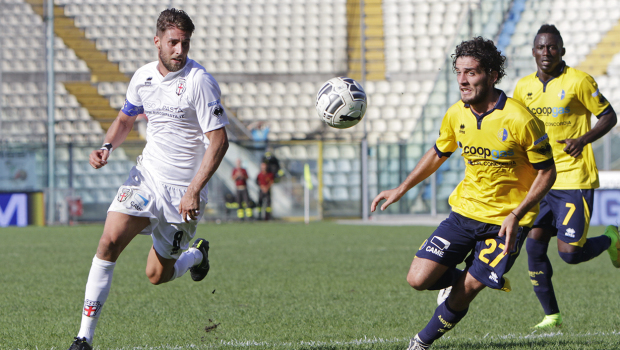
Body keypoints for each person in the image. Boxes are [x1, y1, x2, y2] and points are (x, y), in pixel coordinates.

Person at [371, 37, 557, 350]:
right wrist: (401, 188)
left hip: (505, 223)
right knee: (417, 279)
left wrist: (517, 213)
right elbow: (438, 152)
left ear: (493, 75)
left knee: (467, 287)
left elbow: (547, 171)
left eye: (471, 72)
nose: (462, 80)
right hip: (463, 214)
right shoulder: (456, 114)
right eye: (458, 72)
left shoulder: (520, 120)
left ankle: (421, 342)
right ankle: (477, 275)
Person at [68, 9, 229, 350]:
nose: (179, 50)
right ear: (157, 42)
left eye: (185, 43)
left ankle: (197, 256)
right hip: (147, 178)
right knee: (109, 241)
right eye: (173, 42)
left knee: (157, 275)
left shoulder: (199, 82)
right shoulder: (142, 78)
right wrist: (106, 146)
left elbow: (219, 141)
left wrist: (193, 190)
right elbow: (125, 118)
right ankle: (84, 337)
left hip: (183, 193)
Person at [512, 24, 619, 329]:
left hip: (574, 179)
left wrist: (583, 140)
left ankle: (612, 237)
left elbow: (609, 115)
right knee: (534, 246)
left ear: (562, 51)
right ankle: (551, 315)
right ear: (533, 52)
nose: (546, 53)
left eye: (552, 47)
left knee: (570, 255)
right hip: (540, 179)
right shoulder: (523, 88)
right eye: (541, 48)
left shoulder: (579, 81)